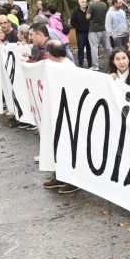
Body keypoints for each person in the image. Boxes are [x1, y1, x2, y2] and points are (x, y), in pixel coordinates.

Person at [38, 40, 78, 193]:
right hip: (56, 113)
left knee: (67, 147)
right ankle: (59, 175)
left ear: (48, 54)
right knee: (56, 146)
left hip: (67, 115)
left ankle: (72, 179)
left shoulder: (68, 69)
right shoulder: (52, 66)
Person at [104, 0, 130, 70]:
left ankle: (126, 66)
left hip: (125, 34)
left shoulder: (122, 11)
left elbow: (125, 21)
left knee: (125, 51)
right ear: (114, 3)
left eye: (121, 3)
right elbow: (108, 25)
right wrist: (112, 35)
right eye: (119, 3)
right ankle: (116, 68)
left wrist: (128, 30)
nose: (121, 4)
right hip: (117, 37)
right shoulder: (109, 13)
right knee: (118, 53)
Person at [70, 0, 93, 67]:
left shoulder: (90, 10)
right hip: (80, 34)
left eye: (85, 2)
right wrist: (79, 28)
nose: (84, 3)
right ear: (79, 3)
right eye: (82, 2)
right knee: (81, 49)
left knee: (89, 49)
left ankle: (90, 64)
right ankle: (80, 65)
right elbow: (72, 22)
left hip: (90, 33)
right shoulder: (76, 11)